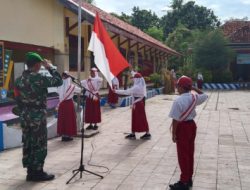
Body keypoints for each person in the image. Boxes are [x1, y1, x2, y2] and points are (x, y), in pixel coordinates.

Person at [14, 52, 63, 181]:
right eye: (40, 64)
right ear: (36, 65)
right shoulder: (40, 78)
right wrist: (50, 67)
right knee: (39, 143)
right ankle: (38, 172)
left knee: (28, 142)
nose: (41, 66)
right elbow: (58, 81)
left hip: (25, 116)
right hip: (37, 116)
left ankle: (30, 171)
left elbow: (17, 99)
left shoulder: (18, 80)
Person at [168, 75, 208, 190]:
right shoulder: (194, 98)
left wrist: (173, 134)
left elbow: (175, 120)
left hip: (183, 128)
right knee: (190, 153)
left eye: (178, 86)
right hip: (192, 126)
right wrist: (194, 88)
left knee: (183, 154)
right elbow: (205, 95)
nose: (177, 88)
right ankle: (189, 177)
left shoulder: (178, 101)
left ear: (181, 87)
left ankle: (184, 181)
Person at [115, 72, 151, 140]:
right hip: (138, 103)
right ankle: (134, 133)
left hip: (137, 104)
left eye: (134, 79)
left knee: (140, 118)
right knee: (137, 118)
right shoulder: (140, 86)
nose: (133, 80)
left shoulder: (137, 87)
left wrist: (116, 91)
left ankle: (146, 133)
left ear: (137, 79)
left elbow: (127, 92)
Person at [57, 71, 81, 141]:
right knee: (69, 119)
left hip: (62, 104)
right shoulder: (72, 86)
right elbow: (80, 90)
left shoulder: (59, 85)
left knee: (63, 119)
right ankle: (68, 135)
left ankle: (63, 135)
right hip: (68, 104)